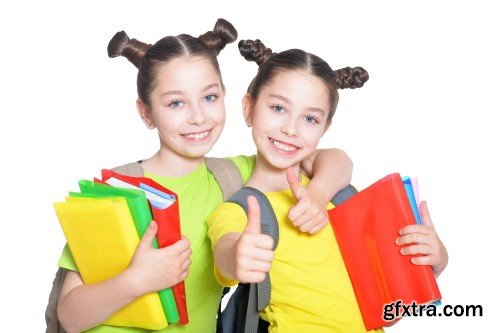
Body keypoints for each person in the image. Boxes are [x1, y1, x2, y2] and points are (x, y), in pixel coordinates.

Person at [55, 20, 354, 333]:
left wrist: (319, 193)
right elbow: (70, 316)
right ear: (146, 113)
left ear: (227, 97)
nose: (198, 117)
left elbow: (334, 160)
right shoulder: (117, 188)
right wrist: (136, 281)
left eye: (209, 97)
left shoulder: (235, 175)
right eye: (176, 103)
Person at [208, 38, 448, 332]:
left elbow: (389, 306)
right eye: (278, 108)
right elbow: (225, 254)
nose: (291, 128)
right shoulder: (241, 211)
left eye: (310, 118)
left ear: (325, 127)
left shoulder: (340, 197)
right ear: (249, 109)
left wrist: (432, 261)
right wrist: (237, 256)